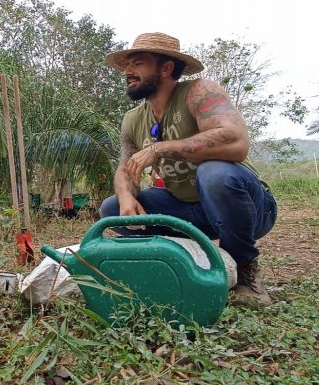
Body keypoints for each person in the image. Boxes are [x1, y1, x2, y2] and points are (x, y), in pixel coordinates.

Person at [100, 32, 277, 306]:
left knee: (214, 173)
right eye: (127, 65)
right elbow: (126, 169)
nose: (128, 71)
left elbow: (236, 140)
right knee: (112, 209)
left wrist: (161, 148)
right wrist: (126, 197)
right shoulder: (133, 119)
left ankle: (245, 271)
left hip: (250, 207)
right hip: (191, 211)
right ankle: (182, 262)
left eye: (138, 63)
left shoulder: (198, 92)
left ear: (166, 68)